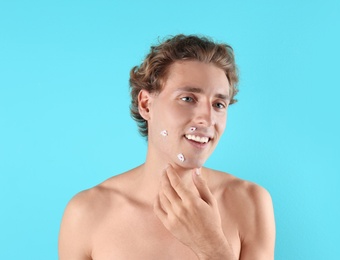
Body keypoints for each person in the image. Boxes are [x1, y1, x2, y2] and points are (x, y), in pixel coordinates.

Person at [58, 34, 275, 260]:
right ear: (146, 104)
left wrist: (212, 247)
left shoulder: (249, 202)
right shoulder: (86, 213)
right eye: (188, 99)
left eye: (219, 104)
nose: (207, 118)